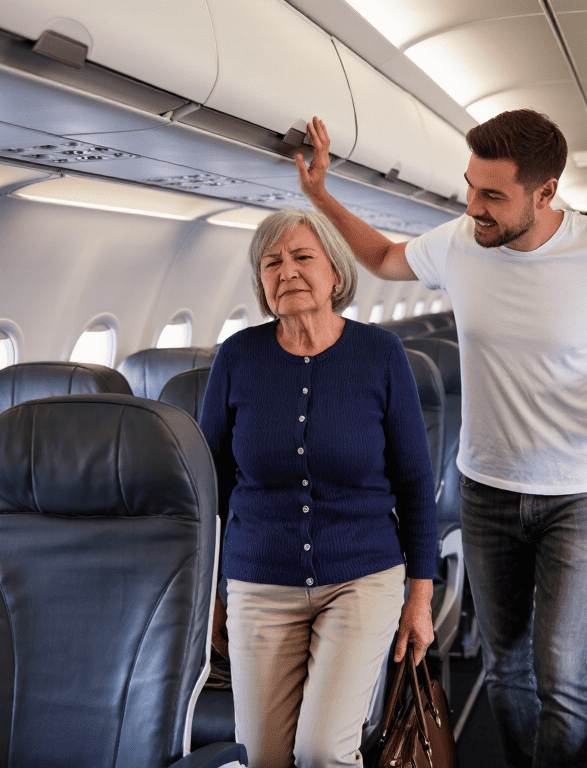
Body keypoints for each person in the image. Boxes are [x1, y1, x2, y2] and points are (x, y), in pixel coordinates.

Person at [295, 110, 587, 767]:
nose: (472, 206)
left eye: (492, 195)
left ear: (545, 193)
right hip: (485, 490)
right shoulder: (460, 243)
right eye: (469, 186)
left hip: (579, 494)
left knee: (562, 675)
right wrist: (320, 193)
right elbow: (382, 258)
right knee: (506, 668)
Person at [199, 208, 438, 768]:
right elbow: (209, 486)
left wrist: (421, 598)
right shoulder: (237, 356)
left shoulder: (380, 353)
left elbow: (414, 481)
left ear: (335, 271)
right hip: (260, 580)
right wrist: (210, 596)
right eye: (271, 263)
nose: (286, 271)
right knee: (261, 757)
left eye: (302, 257)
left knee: (323, 751)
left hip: (361, 576)